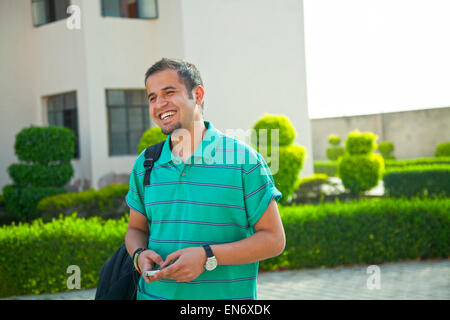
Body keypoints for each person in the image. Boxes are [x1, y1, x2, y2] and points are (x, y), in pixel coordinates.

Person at [124, 58, 285, 300]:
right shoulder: (145, 164)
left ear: (197, 95)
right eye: (152, 97)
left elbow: (273, 240)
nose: (159, 104)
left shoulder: (244, 161)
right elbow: (136, 228)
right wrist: (139, 254)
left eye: (169, 92)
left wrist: (208, 256)